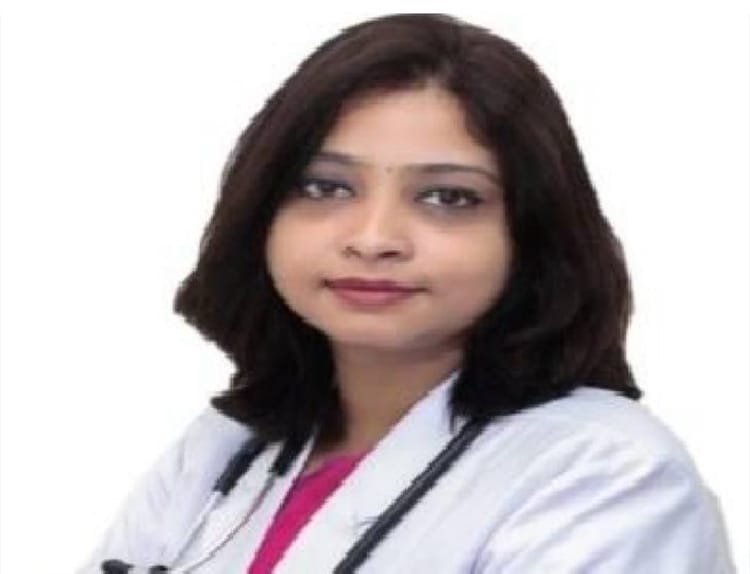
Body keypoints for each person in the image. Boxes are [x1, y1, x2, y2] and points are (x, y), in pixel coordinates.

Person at [78, 13, 735, 573]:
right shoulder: (222, 450)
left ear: (531, 234)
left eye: (448, 197)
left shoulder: (606, 477)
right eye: (326, 187)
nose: (373, 238)